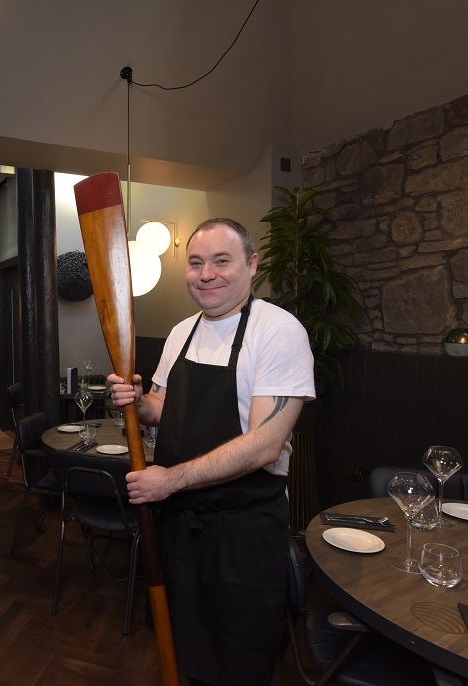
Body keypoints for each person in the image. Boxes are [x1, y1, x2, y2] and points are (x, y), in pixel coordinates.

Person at [108, 218, 315, 686]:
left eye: (222, 261)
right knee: (183, 644)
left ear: (251, 264)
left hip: (243, 532)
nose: (207, 274)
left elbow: (265, 445)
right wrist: (138, 402)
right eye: (196, 263)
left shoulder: (278, 332)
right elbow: (161, 407)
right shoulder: (182, 332)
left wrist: (172, 478)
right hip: (181, 525)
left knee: (241, 657)